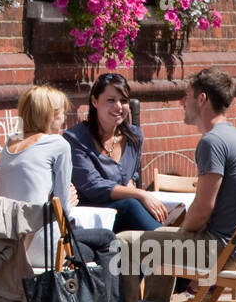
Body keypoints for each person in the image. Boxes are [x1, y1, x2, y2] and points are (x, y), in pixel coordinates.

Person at [111, 67, 236, 302]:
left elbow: (201, 212)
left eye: (186, 96)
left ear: (202, 99)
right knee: (157, 243)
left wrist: (177, 230)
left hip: (221, 252)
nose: (182, 102)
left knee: (123, 245)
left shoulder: (212, 142)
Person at [0, 85, 114, 302]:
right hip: (44, 249)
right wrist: (69, 200)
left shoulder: (9, 143)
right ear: (47, 115)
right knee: (109, 242)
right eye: (61, 114)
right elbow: (64, 210)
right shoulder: (58, 145)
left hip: (9, 249)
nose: (65, 120)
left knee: (89, 250)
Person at [65, 72, 169, 232]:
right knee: (132, 204)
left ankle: (175, 246)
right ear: (94, 101)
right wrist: (140, 194)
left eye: (124, 101)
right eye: (111, 100)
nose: (119, 106)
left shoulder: (134, 136)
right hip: (92, 217)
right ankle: (174, 246)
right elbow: (92, 186)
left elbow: (131, 177)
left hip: (126, 211)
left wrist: (134, 191)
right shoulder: (75, 138)